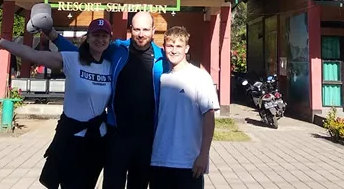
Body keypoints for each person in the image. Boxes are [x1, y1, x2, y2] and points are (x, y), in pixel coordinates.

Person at [0, 17, 113, 189]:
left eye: (104, 36)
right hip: (72, 137)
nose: (100, 39)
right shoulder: (72, 60)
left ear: (109, 39)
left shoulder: (111, 66)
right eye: (95, 35)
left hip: (97, 139)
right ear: (88, 37)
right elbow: (32, 54)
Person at [50, 11, 167, 189]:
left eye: (145, 29)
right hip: (116, 134)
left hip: (147, 137)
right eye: (136, 29)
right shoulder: (117, 50)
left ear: (153, 30)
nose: (141, 34)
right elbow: (81, 53)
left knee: (140, 184)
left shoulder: (163, 58)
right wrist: (54, 36)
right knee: (112, 184)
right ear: (130, 30)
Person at [149, 26, 219, 189]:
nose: (173, 50)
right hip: (159, 159)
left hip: (188, 162)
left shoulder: (200, 77)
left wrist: (204, 155)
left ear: (186, 48)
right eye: (170, 46)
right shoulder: (161, 78)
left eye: (178, 46)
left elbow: (209, 118)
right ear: (164, 47)